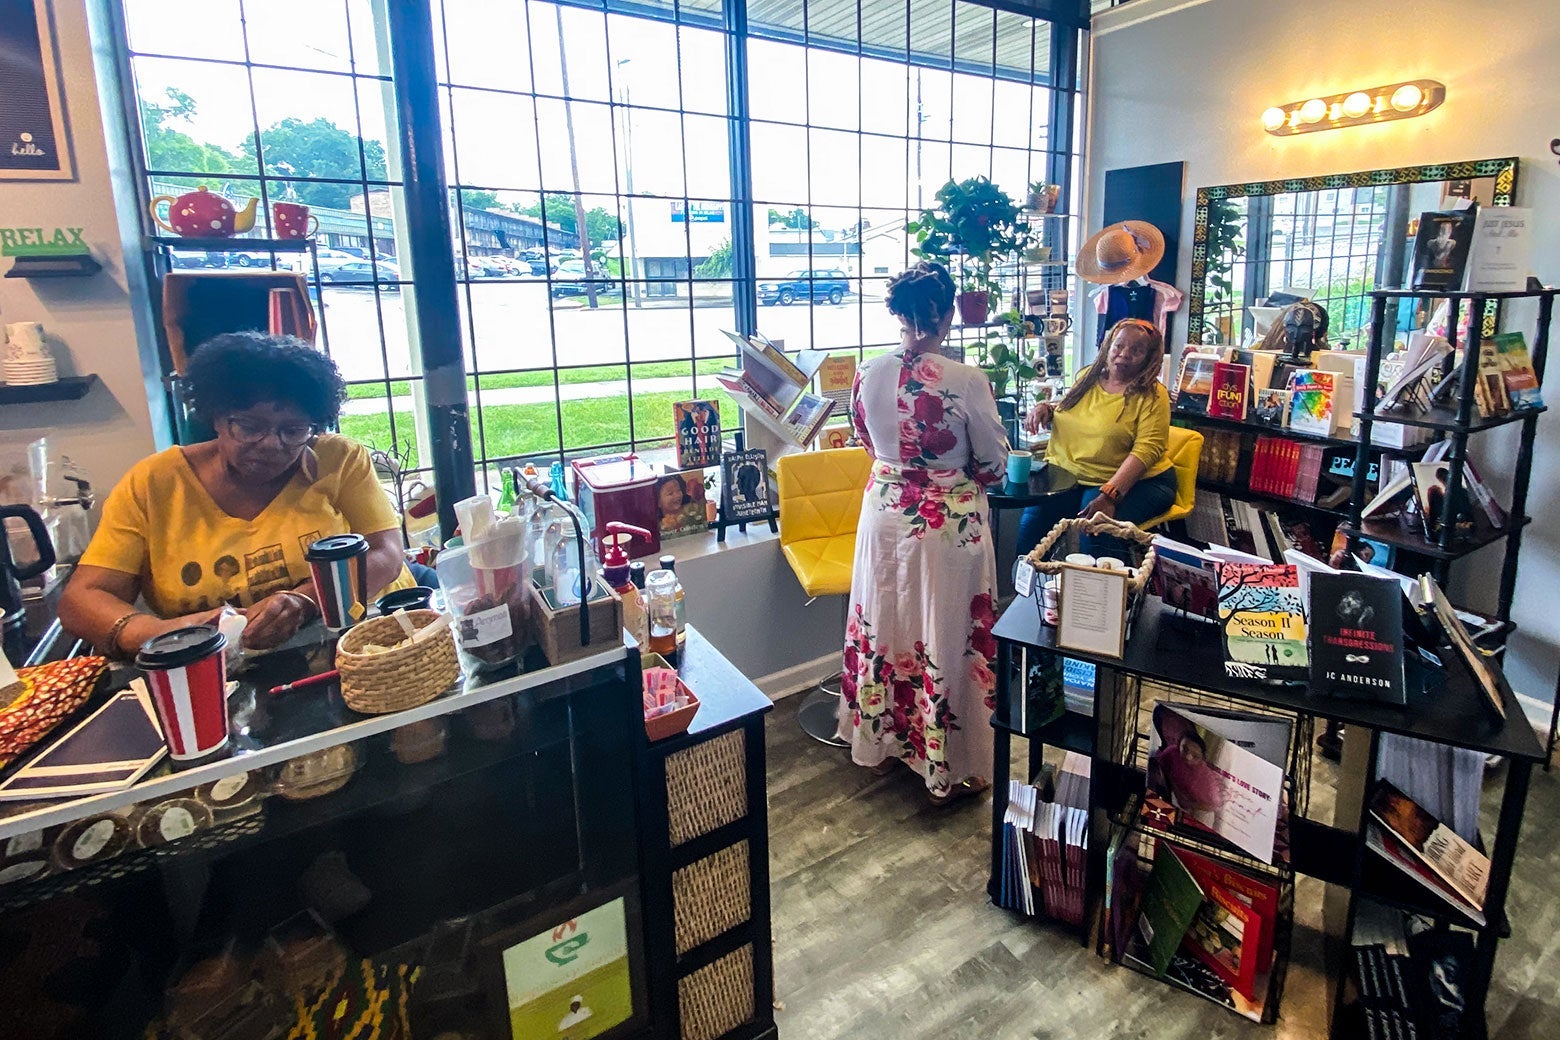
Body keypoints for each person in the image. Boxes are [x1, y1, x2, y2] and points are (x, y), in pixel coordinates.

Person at [59, 331, 414, 655]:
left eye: (293, 430)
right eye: (249, 426)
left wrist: (304, 600)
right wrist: (161, 633)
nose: (272, 444)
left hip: (362, 644)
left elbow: (385, 551)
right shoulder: (155, 484)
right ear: (215, 418)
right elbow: (83, 598)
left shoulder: (337, 459)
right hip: (219, 667)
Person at [839, 261, 1009, 806]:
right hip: (946, 525)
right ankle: (951, 764)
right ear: (950, 312)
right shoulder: (965, 380)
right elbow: (993, 465)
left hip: (884, 513)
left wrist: (900, 468)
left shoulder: (867, 372)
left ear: (898, 313)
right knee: (946, 632)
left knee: (885, 622)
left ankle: (884, 746)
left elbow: (866, 439)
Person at [1015, 318, 1177, 555]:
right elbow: (1071, 411)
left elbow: (1146, 451)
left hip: (1136, 482)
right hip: (1073, 476)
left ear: (1150, 357)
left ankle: (1115, 591)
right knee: (1031, 528)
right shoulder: (1087, 378)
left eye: (1136, 350)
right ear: (1107, 346)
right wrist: (1047, 410)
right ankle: (1032, 592)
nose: (1124, 354)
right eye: (1118, 346)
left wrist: (1110, 495)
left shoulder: (1153, 395)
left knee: (1095, 529)